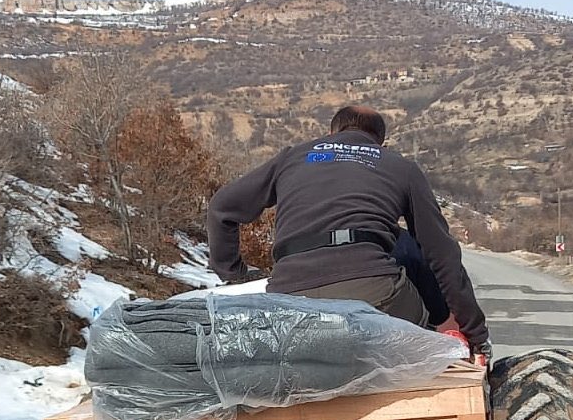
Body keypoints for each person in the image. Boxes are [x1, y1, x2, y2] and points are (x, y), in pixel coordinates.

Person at [207, 105, 490, 356]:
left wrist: (233, 273)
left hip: (288, 298)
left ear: (331, 132)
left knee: (400, 242)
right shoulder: (399, 167)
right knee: (408, 258)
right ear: (380, 141)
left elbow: (221, 207)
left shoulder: (292, 158)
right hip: (375, 295)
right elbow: (441, 254)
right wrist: (475, 332)